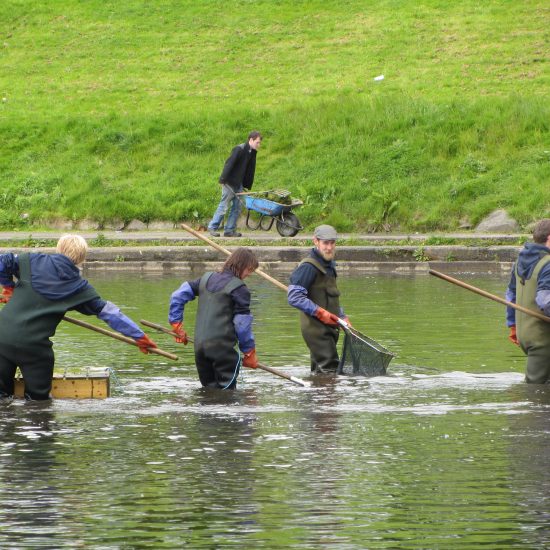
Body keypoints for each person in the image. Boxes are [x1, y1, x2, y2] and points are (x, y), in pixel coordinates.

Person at [0, 235, 157, 401]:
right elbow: (110, 314)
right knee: (38, 403)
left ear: (58, 248)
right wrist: (140, 336)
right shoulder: (80, 288)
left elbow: (2, 262)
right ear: (82, 259)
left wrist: (9, 286)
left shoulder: (30, 260)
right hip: (34, 349)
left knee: (2, 398)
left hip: (1, 337)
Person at [168, 247, 260, 389]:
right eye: (249, 270)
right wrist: (249, 352)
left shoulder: (205, 279)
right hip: (222, 351)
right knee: (227, 395)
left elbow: (177, 296)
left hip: (200, 348)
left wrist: (176, 325)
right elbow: (242, 324)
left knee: (209, 393)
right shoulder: (240, 289)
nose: (248, 274)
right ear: (241, 266)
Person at [287, 225, 350, 374]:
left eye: (332, 243)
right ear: (316, 242)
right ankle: (327, 396)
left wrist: (342, 316)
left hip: (330, 327)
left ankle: (316, 395)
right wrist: (319, 312)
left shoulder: (329, 265)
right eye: (325, 243)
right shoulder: (308, 267)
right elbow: (294, 297)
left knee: (320, 372)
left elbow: (332, 296)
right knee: (330, 370)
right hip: (315, 329)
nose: (329, 247)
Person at [506, 219, 550, 384]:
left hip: (525, 335)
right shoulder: (548, 264)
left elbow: (511, 296)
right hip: (543, 340)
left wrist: (513, 326)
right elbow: (546, 301)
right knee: (534, 391)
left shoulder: (520, 260)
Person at [207, 131, 263, 238]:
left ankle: (229, 230)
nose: (259, 145)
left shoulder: (252, 152)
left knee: (237, 207)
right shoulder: (239, 149)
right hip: (229, 182)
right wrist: (222, 179)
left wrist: (246, 184)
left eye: (259, 143)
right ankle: (212, 227)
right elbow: (229, 164)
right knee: (224, 205)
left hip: (239, 184)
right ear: (251, 140)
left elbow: (248, 170)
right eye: (257, 142)